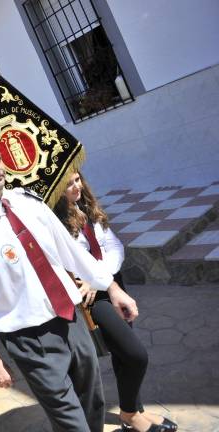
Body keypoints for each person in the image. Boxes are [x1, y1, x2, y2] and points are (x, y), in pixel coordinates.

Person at [0, 133, 139, 432]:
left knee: (93, 405)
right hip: (29, 338)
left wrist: (112, 289)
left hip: (70, 318)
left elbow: (71, 251)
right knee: (71, 422)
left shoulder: (27, 202)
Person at [54, 171, 177, 432]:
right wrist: (95, 280)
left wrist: (101, 277)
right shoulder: (57, 223)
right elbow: (71, 263)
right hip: (92, 299)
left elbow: (115, 247)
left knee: (124, 357)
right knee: (135, 355)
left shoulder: (87, 207)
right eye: (67, 184)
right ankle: (130, 415)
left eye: (77, 180)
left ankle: (134, 412)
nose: (75, 187)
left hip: (111, 285)